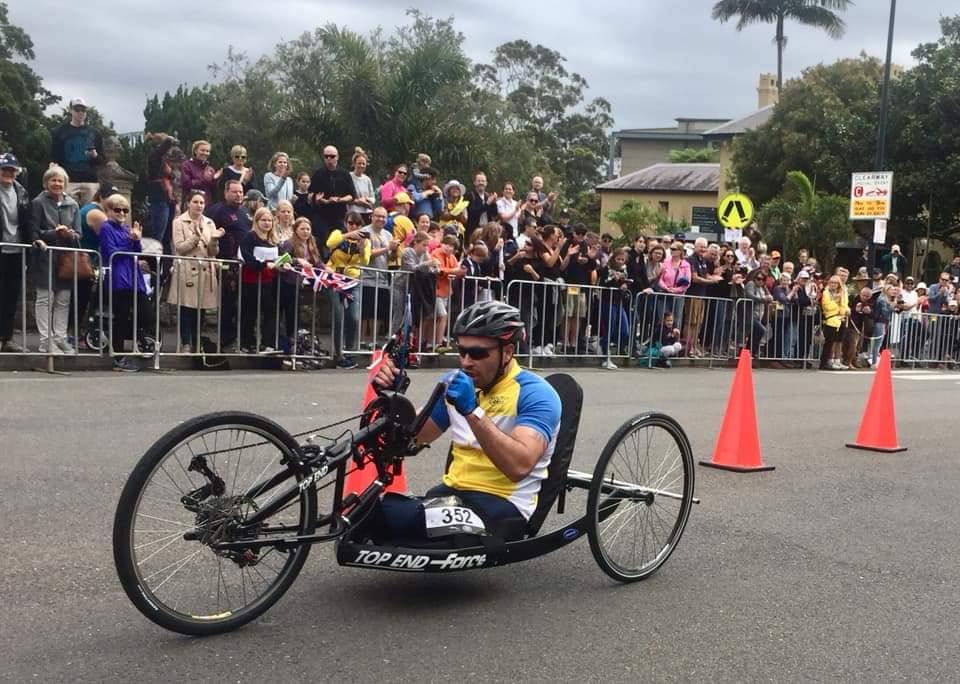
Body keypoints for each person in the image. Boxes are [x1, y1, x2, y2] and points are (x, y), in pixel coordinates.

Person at [371, 300, 562, 541]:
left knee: (399, 519)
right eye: (462, 351)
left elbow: (519, 466)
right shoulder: (455, 383)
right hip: (454, 495)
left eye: (478, 353)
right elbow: (411, 439)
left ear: (508, 352)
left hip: (503, 505)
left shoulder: (537, 393)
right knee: (367, 514)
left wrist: (472, 411)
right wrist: (390, 398)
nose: (466, 362)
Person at [30, 165, 82, 354]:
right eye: (53, 180)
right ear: (46, 183)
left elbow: (79, 234)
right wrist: (54, 233)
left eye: (60, 181)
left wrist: (69, 234)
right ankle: (46, 340)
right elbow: (34, 232)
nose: (57, 184)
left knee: (63, 299)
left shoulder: (73, 204)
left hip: (65, 257)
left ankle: (60, 338)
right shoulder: (38, 202)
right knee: (45, 299)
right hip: (45, 256)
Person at [168, 191, 223, 353]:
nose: (199, 205)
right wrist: (196, 237)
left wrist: (214, 239)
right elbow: (180, 247)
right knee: (187, 308)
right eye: (196, 202)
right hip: (188, 268)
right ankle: (186, 342)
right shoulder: (179, 222)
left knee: (202, 308)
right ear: (188, 203)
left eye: (202, 203)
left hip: (205, 269)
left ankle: (197, 341)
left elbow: (213, 252)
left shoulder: (209, 222)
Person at [98, 194, 148, 371]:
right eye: (117, 209)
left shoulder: (127, 228)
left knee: (146, 313)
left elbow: (137, 250)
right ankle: (118, 357)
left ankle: (131, 340)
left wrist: (136, 239)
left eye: (125, 210)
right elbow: (112, 252)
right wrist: (131, 241)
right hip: (118, 277)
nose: (121, 213)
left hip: (133, 276)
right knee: (120, 317)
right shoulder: (106, 228)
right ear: (109, 211)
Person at [207, 179, 251, 350]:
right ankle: (226, 339)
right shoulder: (217, 211)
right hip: (227, 264)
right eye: (234, 192)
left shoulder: (245, 212)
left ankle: (244, 339)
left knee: (245, 303)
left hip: (244, 264)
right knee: (228, 303)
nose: (238, 195)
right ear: (226, 193)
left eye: (240, 192)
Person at [326, 212, 370, 369]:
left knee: (354, 317)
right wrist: (348, 235)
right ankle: (338, 353)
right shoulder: (339, 233)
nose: (355, 227)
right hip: (334, 278)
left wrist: (363, 248)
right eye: (351, 223)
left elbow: (365, 261)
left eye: (358, 225)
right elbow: (330, 243)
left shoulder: (365, 239)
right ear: (346, 223)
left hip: (352, 280)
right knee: (338, 316)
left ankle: (349, 351)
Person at [278, 217, 324, 353]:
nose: (305, 232)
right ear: (296, 230)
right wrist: (298, 261)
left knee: (295, 315)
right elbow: (283, 259)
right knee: (287, 314)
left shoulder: (311, 244)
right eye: (302, 229)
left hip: (299, 284)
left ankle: (294, 343)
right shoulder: (289, 243)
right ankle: (284, 343)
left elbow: (317, 261)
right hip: (287, 282)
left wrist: (326, 269)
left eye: (308, 229)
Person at [0, 153, 31, 352]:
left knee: (11, 296)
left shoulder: (21, 192)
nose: (8, 173)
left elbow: (27, 220)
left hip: (17, 249)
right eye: (4, 169)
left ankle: (7, 338)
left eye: (11, 170)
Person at [238, 207, 280, 353]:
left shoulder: (273, 239)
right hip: (252, 280)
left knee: (270, 311)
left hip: (269, 281)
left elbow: (278, 257)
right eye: (263, 220)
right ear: (256, 221)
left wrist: (283, 263)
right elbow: (246, 257)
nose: (267, 223)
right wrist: (263, 265)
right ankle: (246, 343)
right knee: (250, 312)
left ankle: (267, 342)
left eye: (269, 220)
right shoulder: (250, 237)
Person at [49, 98, 104, 201]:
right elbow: (54, 157)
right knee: (66, 211)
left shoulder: (95, 133)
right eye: (77, 109)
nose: (80, 113)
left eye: (83, 110)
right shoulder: (59, 131)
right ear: (71, 111)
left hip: (90, 181)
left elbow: (102, 160)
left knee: (90, 212)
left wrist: (95, 155)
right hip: (68, 180)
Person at [308, 146, 355, 247]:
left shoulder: (345, 174)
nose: (329, 159)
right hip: (322, 215)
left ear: (337, 157)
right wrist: (319, 200)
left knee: (339, 242)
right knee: (323, 241)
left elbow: (352, 195)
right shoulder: (318, 173)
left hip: (339, 215)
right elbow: (311, 194)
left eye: (332, 156)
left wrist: (339, 199)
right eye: (326, 156)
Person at [143, 133, 180, 250]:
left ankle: (167, 263)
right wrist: (169, 140)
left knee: (167, 236)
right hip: (159, 198)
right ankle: (153, 263)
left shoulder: (166, 162)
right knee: (158, 233)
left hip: (169, 198)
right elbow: (160, 151)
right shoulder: (154, 157)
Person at [430, 234, 466, 350]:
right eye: (446, 244)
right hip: (435, 290)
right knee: (442, 315)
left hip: (446, 291)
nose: (447, 247)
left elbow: (456, 272)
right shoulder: (436, 253)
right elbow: (440, 270)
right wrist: (454, 271)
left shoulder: (453, 258)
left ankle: (433, 342)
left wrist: (457, 272)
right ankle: (438, 343)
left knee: (437, 318)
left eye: (451, 246)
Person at [819, 275, 847, 370]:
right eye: (831, 282)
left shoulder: (841, 292)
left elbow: (844, 305)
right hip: (831, 320)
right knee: (829, 343)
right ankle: (824, 362)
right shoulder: (826, 293)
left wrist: (845, 310)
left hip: (840, 319)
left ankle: (837, 361)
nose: (833, 285)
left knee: (839, 341)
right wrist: (836, 303)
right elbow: (827, 306)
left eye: (835, 283)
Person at [180, 140, 220, 205]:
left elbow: (213, 191)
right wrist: (205, 180)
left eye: (207, 151)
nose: (205, 153)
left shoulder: (210, 169)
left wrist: (215, 180)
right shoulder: (187, 165)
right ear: (195, 151)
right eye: (202, 150)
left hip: (207, 204)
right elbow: (186, 184)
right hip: (191, 203)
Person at [348, 147, 375, 222]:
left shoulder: (367, 179)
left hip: (366, 213)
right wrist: (358, 201)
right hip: (353, 212)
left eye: (363, 164)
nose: (361, 166)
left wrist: (366, 200)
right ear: (354, 164)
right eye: (359, 163)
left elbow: (372, 197)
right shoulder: (348, 177)